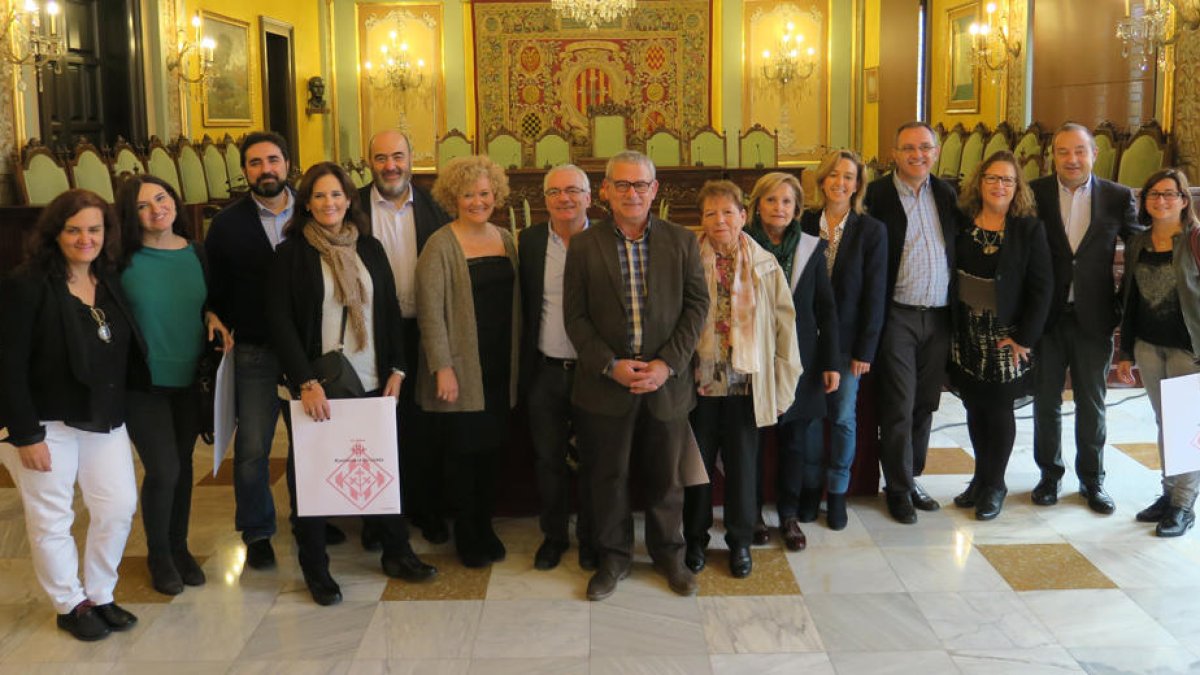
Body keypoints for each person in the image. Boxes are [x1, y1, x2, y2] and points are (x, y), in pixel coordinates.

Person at [267, 162, 435, 606]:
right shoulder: (292, 255)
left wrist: (398, 368)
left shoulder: (370, 248)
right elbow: (280, 324)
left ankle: (397, 552)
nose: (329, 203)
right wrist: (304, 381)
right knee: (312, 475)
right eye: (320, 196)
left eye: (337, 195)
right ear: (306, 203)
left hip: (371, 376)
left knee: (380, 467)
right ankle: (316, 567)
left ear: (349, 201)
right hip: (315, 384)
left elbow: (389, 312)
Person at [563, 150, 708, 600]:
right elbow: (576, 317)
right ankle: (613, 558)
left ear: (655, 190)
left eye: (640, 185)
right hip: (606, 387)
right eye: (621, 185)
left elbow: (697, 307)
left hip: (668, 385)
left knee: (667, 478)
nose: (631, 193)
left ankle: (669, 555)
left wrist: (667, 364)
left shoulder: (682, 241)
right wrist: (611, 365)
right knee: (608, 477)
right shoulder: (585, 245)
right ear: (604, 191)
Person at [0, 190, 143, 641]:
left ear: (107, 234)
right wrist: (25, 434)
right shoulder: (26, 285)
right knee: (51, 516)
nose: (86, 238)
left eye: (95, 229)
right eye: (74, 229)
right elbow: (8, 364)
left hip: (102, 415)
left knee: (118, 507)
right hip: (45, 423)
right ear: (55, 233)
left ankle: (100, 593)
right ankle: (70, 603)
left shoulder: (109, 277)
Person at [206, 131, 342, 569]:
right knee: (252, 446)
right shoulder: (226, 225)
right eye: (255, 162)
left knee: (313, 439)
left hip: (307, 351)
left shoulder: (314, 216)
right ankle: (258, 528)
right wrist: (210, 312)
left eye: (273, 160)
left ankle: (314, 518)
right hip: (255, 350)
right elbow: (213, 286)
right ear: (244, 170)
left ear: (288, 165)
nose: (265, 169)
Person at [115, 175, 233, 595]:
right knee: (163, 469)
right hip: (142, 383)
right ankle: (158, 555)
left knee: (183, 468)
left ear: (174, 201)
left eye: (161, 198)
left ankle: (180, 548)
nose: (156, 209)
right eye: (144, 205)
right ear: (132, 215)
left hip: (190, 378)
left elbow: (207, 301)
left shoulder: (196, 253)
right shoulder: (120, 261)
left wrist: (213, 315)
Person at [682, 180, 802, 578]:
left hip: (745, 385)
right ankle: (696, 540)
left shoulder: (764, 265)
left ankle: (739, 542)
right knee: (695, 468)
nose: (720, 221)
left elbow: (786, 329)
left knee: (742, 468)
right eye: (711, 213)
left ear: (743, 216)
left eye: (728, 212)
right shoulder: (685, 260)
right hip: (697, 384)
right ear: (701, 219)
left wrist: (784, 387)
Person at [1029, 123, 1140, 513]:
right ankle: (1049, 476)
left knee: (1092, 403)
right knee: (1045, 401)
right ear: (1052, 156)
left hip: (1094, 317)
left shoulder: (1116, 196)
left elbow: (1141, 247)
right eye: (1062, 152)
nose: (1072, 159)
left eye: (1079, 151)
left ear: (1094, 153)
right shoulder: (1034, 192)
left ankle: (1092, 480)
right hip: (1046, 317)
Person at [417, 155, 520, 568]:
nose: (478, 201)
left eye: (484, 193)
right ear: (452, 197)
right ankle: (467, 532)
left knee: (492, 451)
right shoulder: (440, 244)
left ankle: (484, 524)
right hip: (461, 369)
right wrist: (443, 366)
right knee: (463, 453)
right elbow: (430, 311)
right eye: (468, 194)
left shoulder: (505, 237)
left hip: (499, 366)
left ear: (496, 194)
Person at [948, 151, 1052, 521]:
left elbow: (1042, 288)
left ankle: (995, 484)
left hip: (1005, 335)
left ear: (1017, 187)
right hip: (965, 331)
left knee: (998, 409)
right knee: (974, 406)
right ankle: (979, 477)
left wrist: (1025, 338)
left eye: (1007, 180)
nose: (999, 186)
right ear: (980, 181)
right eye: (992, 178)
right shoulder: (960, 222)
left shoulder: (1028, 229)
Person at [360, 129, 453, 547]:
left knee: (426, 425)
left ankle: (428, 508)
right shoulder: (352, 206)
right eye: (381, 158)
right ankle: (377, 519)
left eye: (397, 156)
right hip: (371, 333)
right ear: (369, 162)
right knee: (376, 426)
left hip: (425, 328)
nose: (390, 166)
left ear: (412, 158)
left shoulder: (437, 205)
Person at [864, 121, 960, 524]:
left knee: (925, 404)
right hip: (897, 315)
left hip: (938, 316)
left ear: (935, 152)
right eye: (908, 149)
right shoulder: (877, 194)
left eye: (925, 148)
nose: (917, 155)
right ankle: (898, 489)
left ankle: (912, 477)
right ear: (895, 154)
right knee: (899, 406)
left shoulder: (946, 193)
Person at [745, 171, 839, 549]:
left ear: (797, 208)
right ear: (757, 205)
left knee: (795, 441)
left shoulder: (812, 249)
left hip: (798, 359)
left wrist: (830, 361)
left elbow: (826, 309)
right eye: (771, 200)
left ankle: (788, 514)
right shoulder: (741, 243)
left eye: (786, 202)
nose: (778, 208)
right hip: (750, 357)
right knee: (750, 441)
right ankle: (751, 514)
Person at [796, 151, 888, 530]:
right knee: (813, 418)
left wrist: (866, 348)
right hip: (808, 340)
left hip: (850, 344)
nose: (840, 182)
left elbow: (875, 294)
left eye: (848, 176)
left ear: (858, 184)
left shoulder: (871, 230)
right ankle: (810, 487)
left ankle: (837, 492)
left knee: (844, 418)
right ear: (822, 180)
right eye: (833, 175)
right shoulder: (802, 223)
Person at [519, 164, 597, 571]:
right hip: (546, 371)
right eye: (555, 192)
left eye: (573, 190)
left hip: (594, 373)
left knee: (593, 461)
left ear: (590, 196)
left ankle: (590, 537)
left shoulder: (607, 238)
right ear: (544, 199)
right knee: (548, 460)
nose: (564, 198)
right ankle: (554, 536)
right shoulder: (529, 242)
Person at [1116, 168, 1200, 537]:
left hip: (1187, 348)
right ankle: (1168, 495)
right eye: (1154, 194)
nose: (1161, 200)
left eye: (1170, 194)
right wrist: (1125, 353)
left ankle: (1183, 505)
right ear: (1144, 202)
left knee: (1186, 428)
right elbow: (1130, 302)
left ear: (1184, 201)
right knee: (1166, 423)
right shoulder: (1138, 243)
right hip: (1148, 347)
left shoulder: (1195, 240)